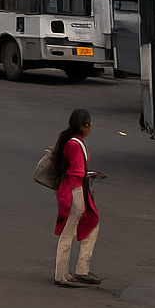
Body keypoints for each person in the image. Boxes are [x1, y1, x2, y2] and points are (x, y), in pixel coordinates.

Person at [52, 107, 106, 287]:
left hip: (73, 190)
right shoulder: (75, 145)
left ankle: (82, 269)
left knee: (91, 227)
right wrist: (79, 202)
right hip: (74, 193)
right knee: (68, 233)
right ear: (85, 125)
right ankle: (61, 274)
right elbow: (75, 174)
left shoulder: (72, 141)